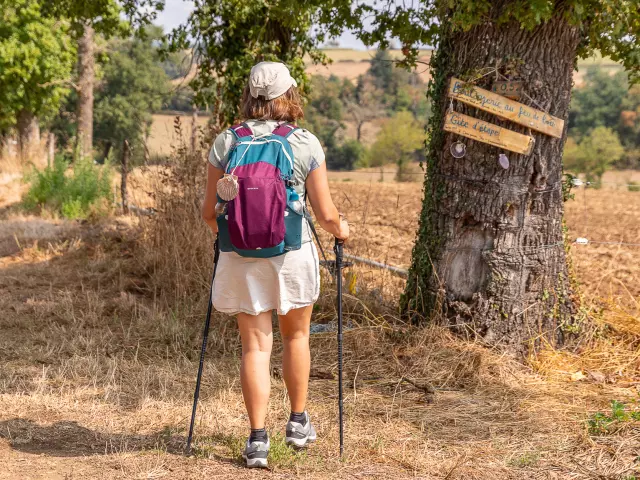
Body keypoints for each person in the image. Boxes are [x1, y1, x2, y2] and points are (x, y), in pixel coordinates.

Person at [201, 61, 350, 468]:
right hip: (292, 253)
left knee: (255, 345)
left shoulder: (226, 142)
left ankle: (257, 441)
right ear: (289, 94)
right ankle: (298, 424)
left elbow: (207, 213)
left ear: (250, 95)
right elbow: (325, 214)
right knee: (297, 337)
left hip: (240, 256)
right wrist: (342, 231)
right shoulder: (305, 142)